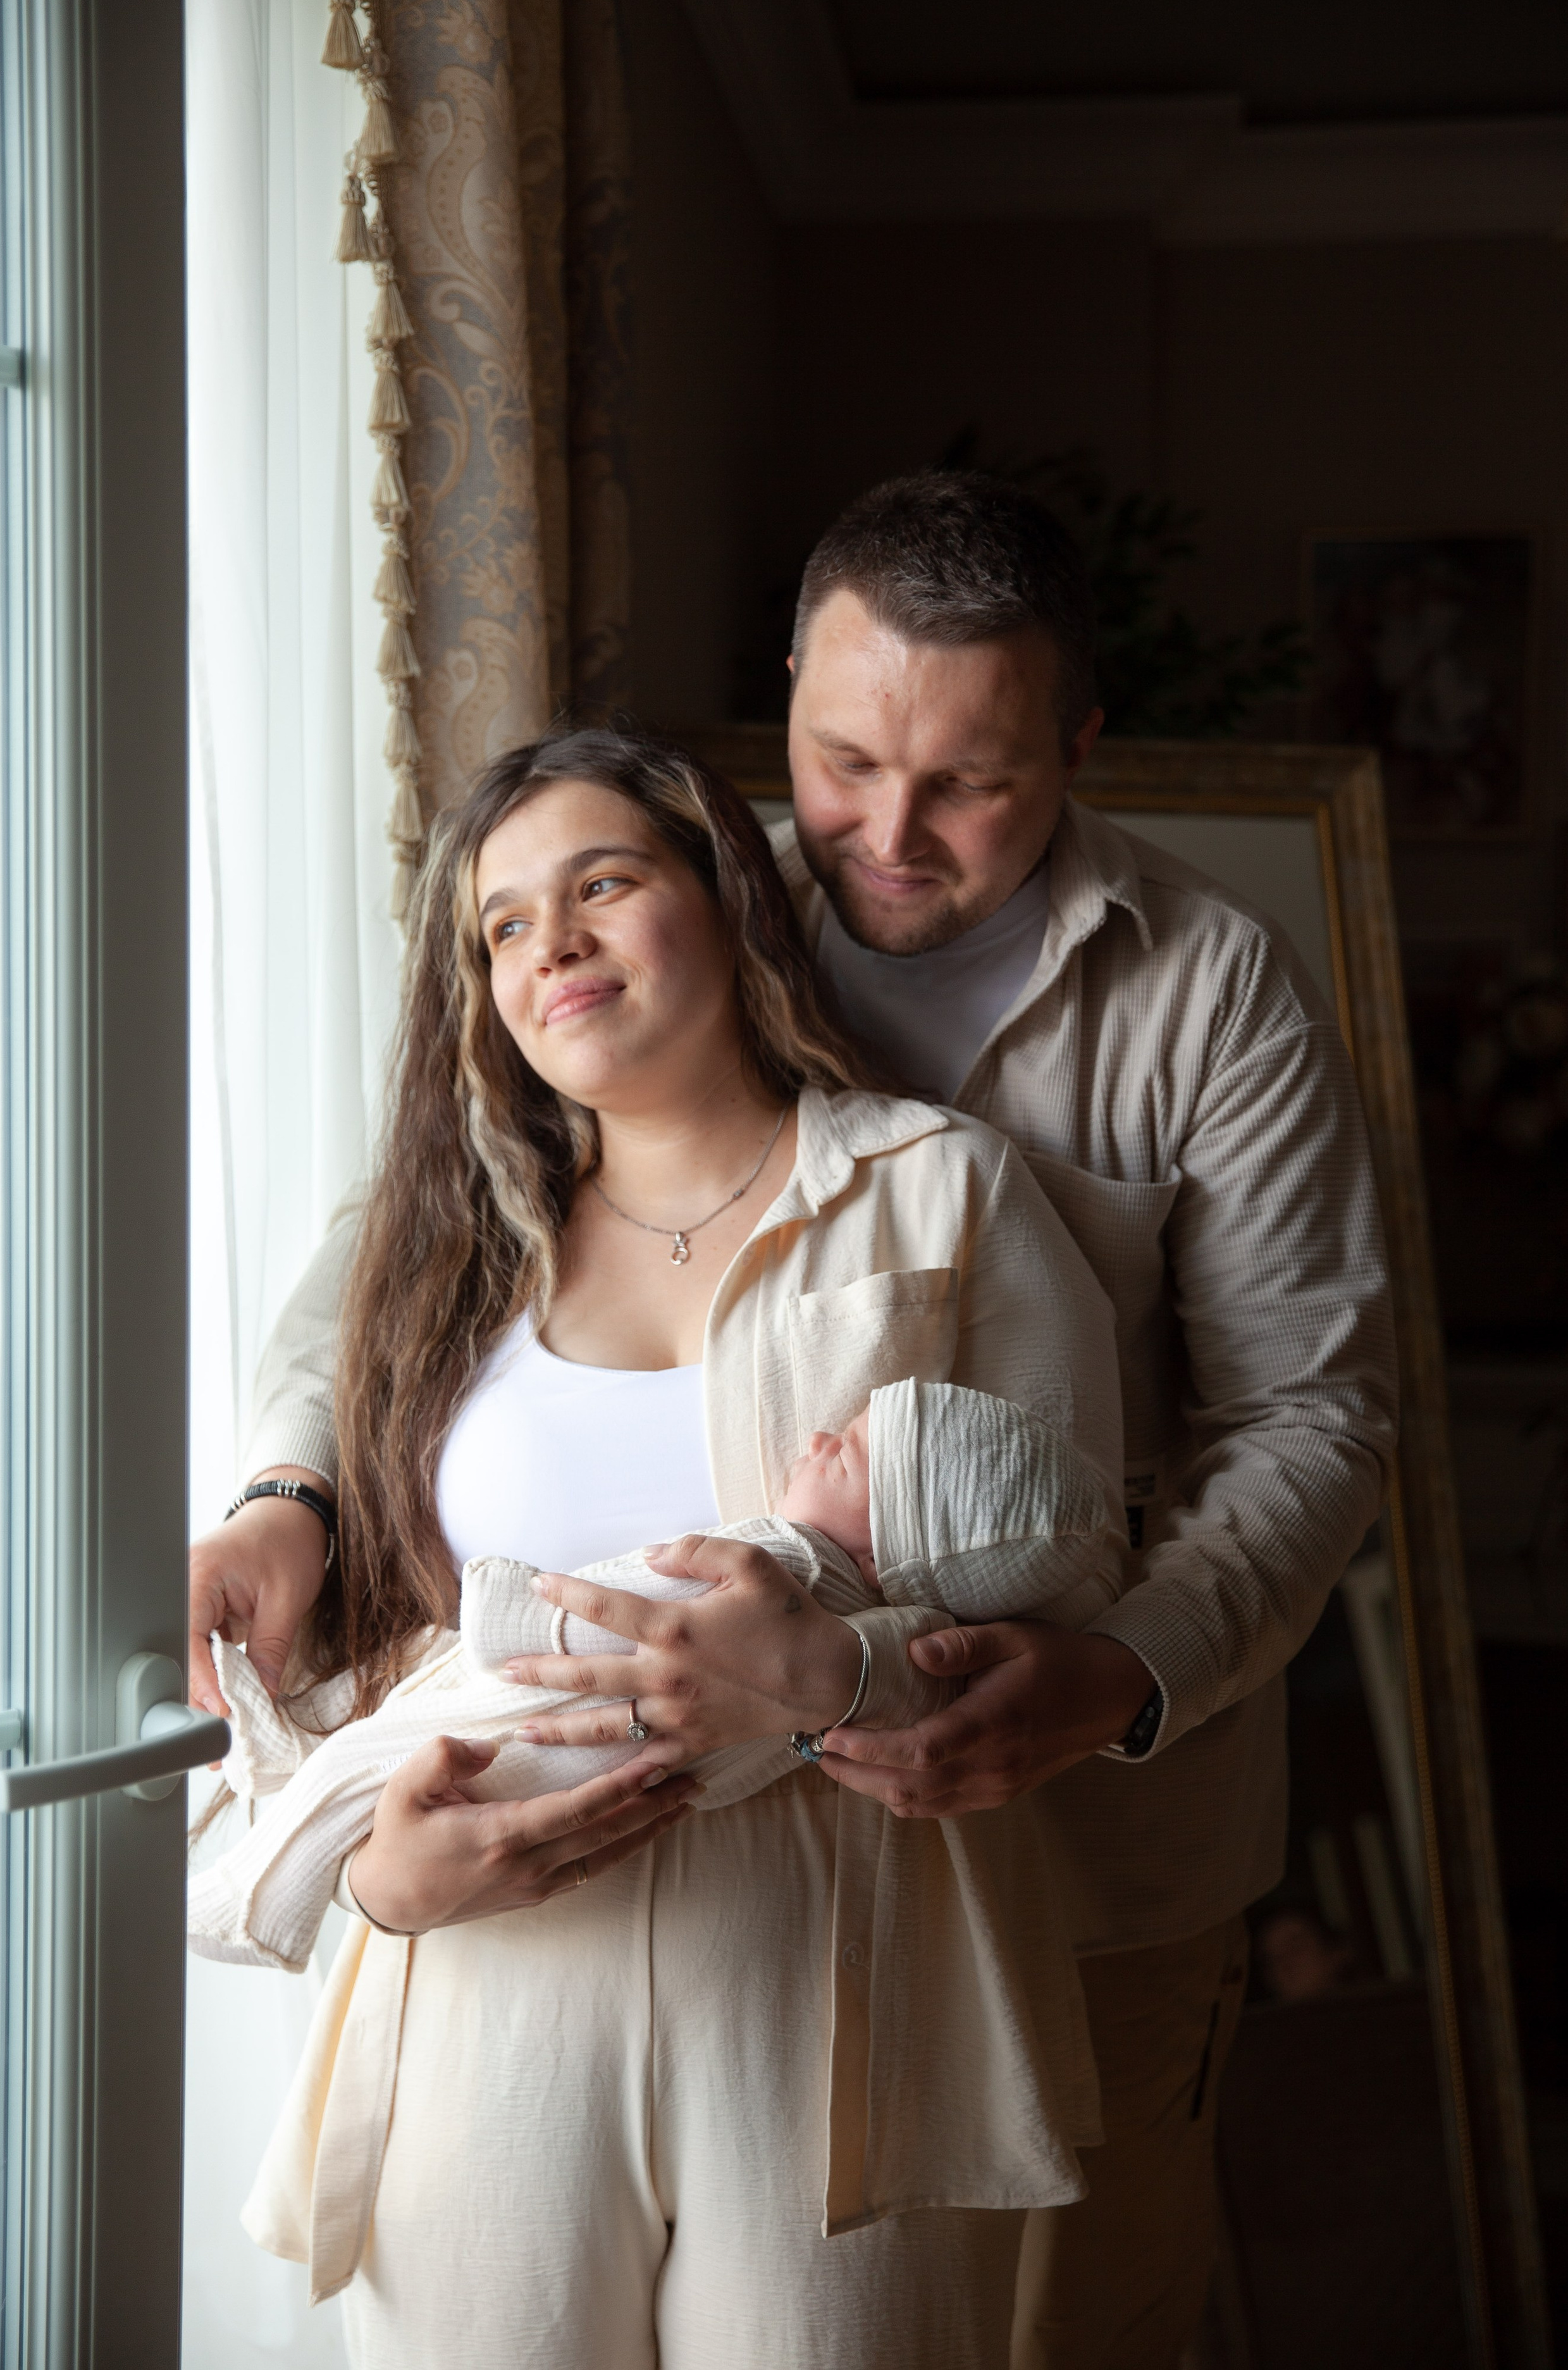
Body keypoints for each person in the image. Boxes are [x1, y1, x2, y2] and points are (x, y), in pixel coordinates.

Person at [192, 473, 1397, 2368]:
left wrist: (1117, 1670)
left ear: (1079, 745)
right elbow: (397, 1244)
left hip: (1087, 1821)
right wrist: (290, 1485)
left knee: (1071, 2319)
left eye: (972, 782)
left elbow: (1312, 1414)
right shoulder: (665, 898)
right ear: (787, 706)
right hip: (580, 1913)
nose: (888, 832)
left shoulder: (1204, 993)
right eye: (842, 762)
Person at [206, 724, 1131, 2367]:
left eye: (602, 883)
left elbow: (1069, 1577)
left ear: (728, 900)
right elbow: (359, 1631)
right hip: (490, 1964)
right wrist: (373, 1879)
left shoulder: (944, 1193)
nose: (548, 941)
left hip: (843, 1948)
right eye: (502, 924)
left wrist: (838, 1668)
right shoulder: (446, 1252)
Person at [188, 1377, 1121, 1973]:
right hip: (593, 1769)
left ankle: (255, 1907)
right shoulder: (880, 1646)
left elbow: (626, 1613)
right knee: (346, 1762)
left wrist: (507, 1603)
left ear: (898, 1543)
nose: (824, 1438)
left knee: (355, 1772)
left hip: (532, 1719)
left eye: (861, 1455)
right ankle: (270, 1777)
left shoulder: (772, 1568)